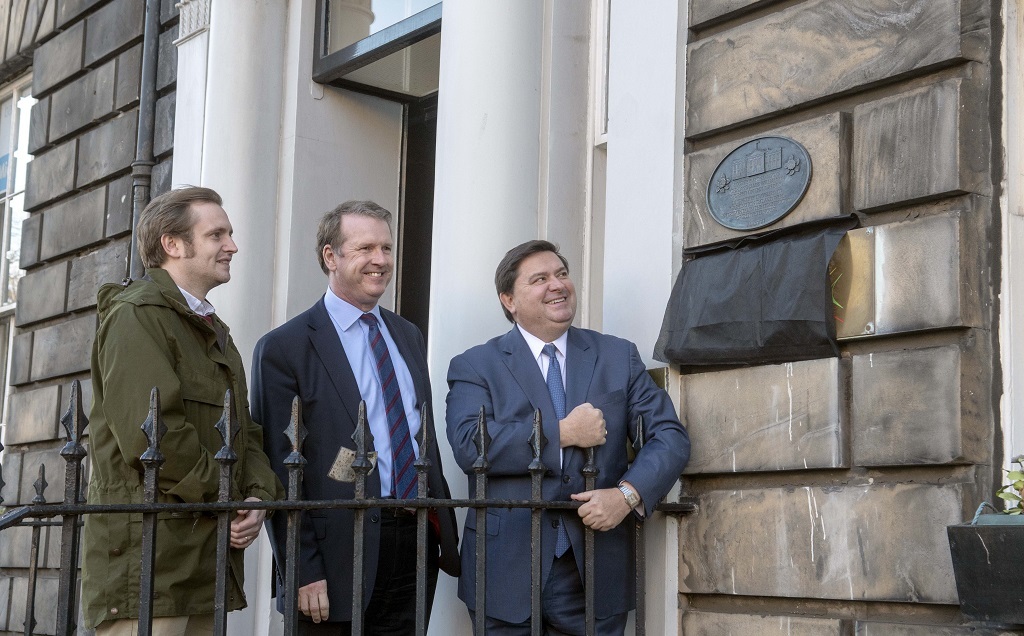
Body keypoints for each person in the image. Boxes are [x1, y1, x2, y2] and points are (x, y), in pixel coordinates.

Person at [446, 239, 690, 635]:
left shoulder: (616, 355)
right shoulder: (476, 365)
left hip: (594, 571)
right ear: (509, 299)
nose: (557, 285)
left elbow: (670, 437)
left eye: (561, 274)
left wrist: (627, 495)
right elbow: (470, 444)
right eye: (539, 279)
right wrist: (562, 432)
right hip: (504, 570)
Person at [81, 186, 284, 635]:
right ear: (172, 245)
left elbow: (244, 433)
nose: (232, 245)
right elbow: (154, 436)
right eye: (217, 235)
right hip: (148, 567)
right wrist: (228, 499)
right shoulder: (137, 316)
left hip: (204, 563)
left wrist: (256, 495)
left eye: (229, 234)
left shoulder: (212, 330)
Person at [251, 200, 460, 635]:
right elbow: (278, 465)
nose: (380, 260)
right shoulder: (285, 348)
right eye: (365, 248)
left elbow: (421, 437)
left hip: (415, 540)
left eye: (386, 248)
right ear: (331, 256)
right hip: (333, 555)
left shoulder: (407, 334)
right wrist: (300, 567)